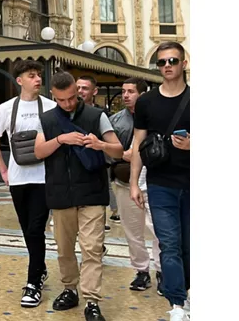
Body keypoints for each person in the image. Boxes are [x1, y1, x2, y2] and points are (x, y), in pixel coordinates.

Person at [34, 71, 123, 321]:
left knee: (92, 248)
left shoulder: (97, 116)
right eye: (62, 100)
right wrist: (61, 139)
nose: (69, 103)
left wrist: (101, 145)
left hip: (92, 194)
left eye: (72, 97)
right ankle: (69, 289)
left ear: (78, 90)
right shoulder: (47, 120)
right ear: (53, 95)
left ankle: (92, 301)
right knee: (64, 249)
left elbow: (118, 150)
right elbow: (39, 151)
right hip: (60, 194)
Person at [0, 60, 57, 308]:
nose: (37, 79)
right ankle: (40, 267)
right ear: (19, 81)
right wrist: (4, 171)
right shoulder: (6, 109)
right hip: (18, 179)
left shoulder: (50, 107)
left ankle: (33, 283)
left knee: (36, 229)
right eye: (31, 75)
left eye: (39, 75)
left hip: (43, 178)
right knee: (28, 229)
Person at [129, 42, 191, 321]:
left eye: (172, 61)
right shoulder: (147, 102)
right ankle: (177, 303)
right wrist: (133, 183)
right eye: (162, 61)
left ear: (183, 63)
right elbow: (138, 142)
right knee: (169, 243)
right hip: (160, 183)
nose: (167, 65)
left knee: (190, 244)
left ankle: (188, 291)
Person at [108, 77, 162, 294]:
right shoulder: (115, 121)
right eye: (123, 91)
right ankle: (141, 271)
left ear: (142, 93)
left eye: (131, 91)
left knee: (160, 230)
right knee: (132, 231)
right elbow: (108, 152)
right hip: (125, 182)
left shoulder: (156, 117)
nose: (126, 95)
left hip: (155, 182)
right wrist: (123, 155)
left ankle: (161, 269)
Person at [78, 75, 118, 227]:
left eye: (84, 88)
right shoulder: (65, 113)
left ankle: (106, 217)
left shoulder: (101, 115)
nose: (80, 91)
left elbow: (113, 142)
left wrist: (100, 145)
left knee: (104, 187)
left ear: (94, 92)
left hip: (98, 162)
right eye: (78, 88)